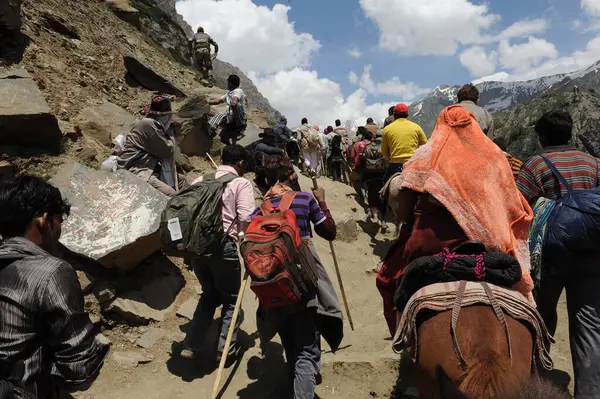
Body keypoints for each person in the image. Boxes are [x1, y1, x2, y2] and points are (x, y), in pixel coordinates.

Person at [377, 105, 534, 336]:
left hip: (432, 240)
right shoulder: (495, 156)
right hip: (490, 239)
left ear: (441, 126)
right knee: (515, 275)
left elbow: (405, 201)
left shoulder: (428, 153)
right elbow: (508, 200)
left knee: (388, 279)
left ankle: (403, 336)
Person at [0, 176, 109, 398]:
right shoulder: (51, 271)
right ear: (43, 220)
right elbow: (80, 371)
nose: (60, 231)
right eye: (59, 220)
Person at [516, 110, 600, 398]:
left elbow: (517, 207)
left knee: (541, 312)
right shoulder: (594, 164)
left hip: (551, 251)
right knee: (589, 324)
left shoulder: (536, 165)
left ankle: (537, 376)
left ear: (543, 136)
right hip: (592, 250)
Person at [254, 160, 343, 399]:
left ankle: (297, 382)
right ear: (292, 175)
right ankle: (303, 390)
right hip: (301, 279)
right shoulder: (304, 199)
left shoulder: (262, 207)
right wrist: (322, 201)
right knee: (307, 348)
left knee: (290, 342)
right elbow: (329, 232)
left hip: (271, 281)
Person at [181, 145, 255, 362]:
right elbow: (247, 216)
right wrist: (243, 240)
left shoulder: (199, 180)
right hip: (224, 248)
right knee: (232, 300)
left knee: (209, 295)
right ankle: (225, 350)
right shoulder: (240, 183)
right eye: (245, 165)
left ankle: (192, 345)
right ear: (240, 163)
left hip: (197, 249)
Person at [117, 96, 186, 196]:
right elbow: (166, 151)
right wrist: (171, 136)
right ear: (164, 116)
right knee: (172, 195)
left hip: (148, 167)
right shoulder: (149, 125)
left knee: (182, 181)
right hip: (136, 170)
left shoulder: (152, 124)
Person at [381, 103, 427, 183]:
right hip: (413, 164)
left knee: (384, 186)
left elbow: (384, 151)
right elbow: (425, 146)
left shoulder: (387, 129)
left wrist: (391, 159)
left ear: (394, 115)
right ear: (407, 115)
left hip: (395, 164)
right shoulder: (416, 127)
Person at [210, 74, 247, 146]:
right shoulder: (228, 93)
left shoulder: (238, 91)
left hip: (239, 118)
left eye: (228, 82)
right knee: (220, 117)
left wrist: (233, 108)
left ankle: (240, 128)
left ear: (230, 83)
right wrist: (206, 102)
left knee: (236, 106)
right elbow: (218, 101)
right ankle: (212, 128)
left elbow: (235, 101)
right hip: (231, 117)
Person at [361, 131, 387, 229]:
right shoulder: (385, 147)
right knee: (384, 198)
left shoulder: (367, 147)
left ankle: (375, 216)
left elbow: (362, 159)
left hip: (369, 175)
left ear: (374, 137)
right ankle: (383, 220)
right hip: (382, 176)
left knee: (371, 195)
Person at [349, 127, 371, 203]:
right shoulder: (371, 143)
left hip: (358, 167)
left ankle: (360, 195)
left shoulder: (356, 144)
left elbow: (352, 156)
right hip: (371, 167)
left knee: (353, 179)